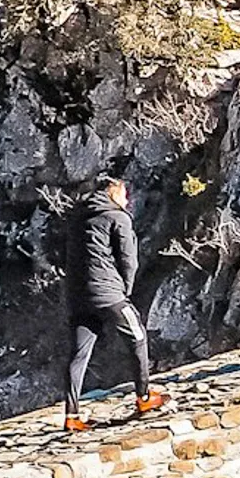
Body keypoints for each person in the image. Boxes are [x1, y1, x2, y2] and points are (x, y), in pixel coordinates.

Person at [65, 175, 166, 430]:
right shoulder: (118, 217)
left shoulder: (78, 217)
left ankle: (72, 416)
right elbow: (128, 260)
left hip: (78, 296)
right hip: (109, 293)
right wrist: (125, 291)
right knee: (137, 336)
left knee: (79, 354)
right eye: (124, 194)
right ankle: (144, 397)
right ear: (113, 192)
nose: (127, 200)